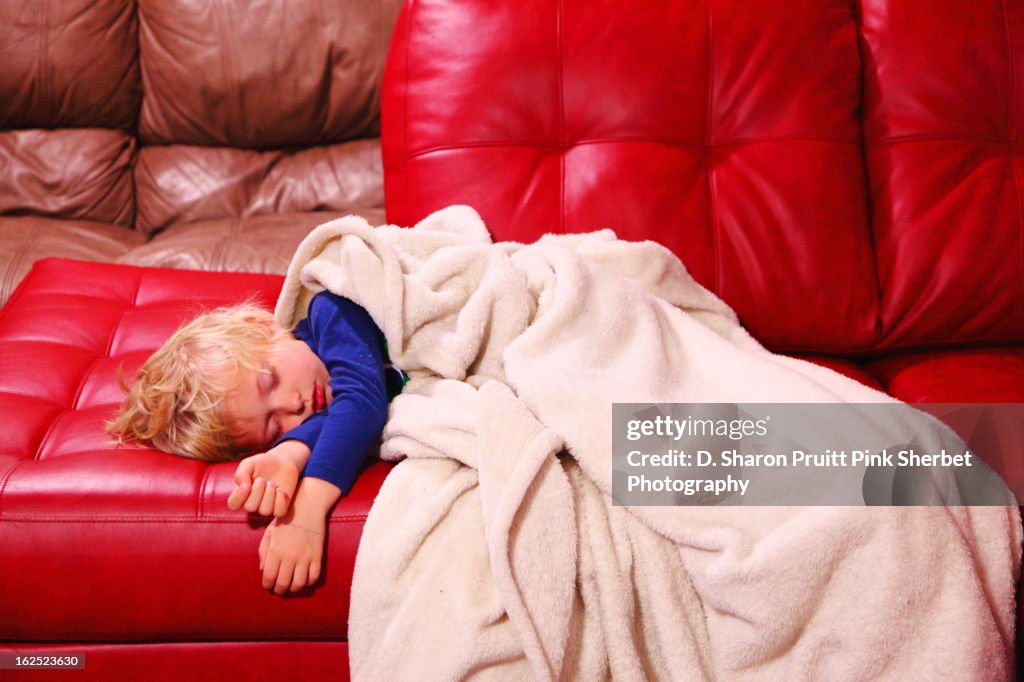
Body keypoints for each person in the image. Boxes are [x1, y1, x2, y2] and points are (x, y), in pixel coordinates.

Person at [106, 291, 404, 595]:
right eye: (274, 425)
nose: (293, 405)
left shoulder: (332, 310)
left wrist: (308, 508)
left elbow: (359, 401)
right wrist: (287, 456)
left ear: (262, 327)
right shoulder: (316, 404)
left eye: (270, 381)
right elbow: (330, 422)